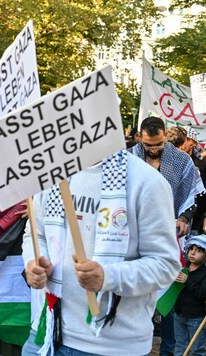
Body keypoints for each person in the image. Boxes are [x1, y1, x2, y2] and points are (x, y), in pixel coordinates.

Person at [21, 149, 181, 355]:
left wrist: (108, 277)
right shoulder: (53, 173)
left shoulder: (147, 182)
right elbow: (35, 233)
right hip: (46, 333)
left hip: (111, 346)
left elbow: (165, 265)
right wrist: (34, 261)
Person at [131, 117, 204, 355]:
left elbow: (192, 196)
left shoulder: (182, 160)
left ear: (165, 137)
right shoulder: (128, 158)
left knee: (168, 299)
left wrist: (183, 218)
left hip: (169, 240)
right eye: (149, 145)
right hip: (135, 240)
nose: (154, 149)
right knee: (137, 294)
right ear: (140, 138)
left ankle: (169, 350)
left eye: (159, 144)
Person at [174, 235, 206, 356]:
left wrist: (187, 281)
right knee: (180, 345)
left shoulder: (204, 273)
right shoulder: (183, 267)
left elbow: (203, 294)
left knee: (197, 348)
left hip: (196, 318)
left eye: (199, 251)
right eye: (191, 249)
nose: (193, 253)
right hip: (179, 314)